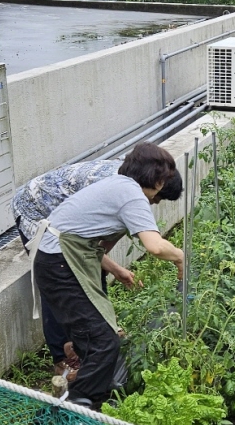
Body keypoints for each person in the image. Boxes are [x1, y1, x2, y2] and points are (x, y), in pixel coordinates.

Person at [29, 143, 184, 410]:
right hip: (61, 264)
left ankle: (79, 397)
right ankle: (78, 409)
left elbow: (85, 241)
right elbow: (155, 246)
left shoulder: (118, 185)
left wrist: (117, 269)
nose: (155, 202)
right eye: (160, 193)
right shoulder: (130, 193)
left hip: (56, 261)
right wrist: (180, 256)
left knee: (94, 338)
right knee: (104, 342)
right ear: (158, 180)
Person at [13, 159, 134, 374]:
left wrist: (108, 265)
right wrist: (116, 268)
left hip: (65, 217)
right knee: (56, 277)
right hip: (35, 208)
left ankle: (100, 331)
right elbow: (75, 247)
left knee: (92, 271)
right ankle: (62, 356)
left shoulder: (133, 186)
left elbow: (95, 249)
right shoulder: (110, 190)